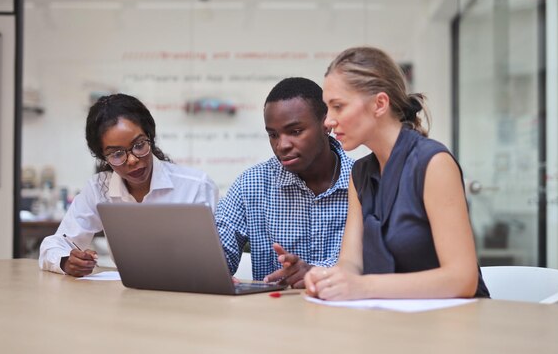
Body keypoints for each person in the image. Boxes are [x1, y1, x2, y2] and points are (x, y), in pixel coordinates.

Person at [304, 47, 490, 300]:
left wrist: (363, 287)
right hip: (392, 323)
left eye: (338, 106)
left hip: (455, 326)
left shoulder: (434, 163)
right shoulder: (358, 173)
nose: (328, 121)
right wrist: (331, 278)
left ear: (380, 104)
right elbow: (351, 263)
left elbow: (462, 279)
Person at [39, 93, 218, 276]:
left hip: (187, 293)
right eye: (116, 154)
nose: (132, 160)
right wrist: (67, 261)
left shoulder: (196, 186)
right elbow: (54, 245)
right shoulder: (100, 188)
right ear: (103, 158)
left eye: (139, 145)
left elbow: (213, 261)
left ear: (151, 136)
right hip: (128, 295)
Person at [215, 77, 355, 288]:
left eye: (295, 131)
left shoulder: (364, 181)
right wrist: (211, 268)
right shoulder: (253, 183)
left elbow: (373, 263)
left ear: (326, 124)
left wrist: (316, 273)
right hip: (273, 316)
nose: (282, 145)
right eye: (273, 135)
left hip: (346, 314)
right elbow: (219, 253)